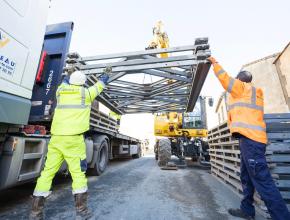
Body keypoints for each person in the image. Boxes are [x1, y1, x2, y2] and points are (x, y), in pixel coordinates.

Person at [207, 57, 290, 220]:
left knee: (263, 181)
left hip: (251, 141)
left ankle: (282, 217)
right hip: (251, 140)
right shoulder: (255, 92)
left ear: (240, 80)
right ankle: (247, 210)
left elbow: (225, 78)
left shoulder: (241, 88)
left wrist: (214, 63)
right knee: (246, 177)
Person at [29, 69, 110, 220]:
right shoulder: (86, 94)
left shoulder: (60, 91)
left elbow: (64, 82)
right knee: (78, 174)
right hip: (74, 140)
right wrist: (105, 75)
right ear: (83, 83)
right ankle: (82, 211)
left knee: (47, 173)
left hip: (56, 138)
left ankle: (35, 213)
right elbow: (100, 85)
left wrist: (69, 73)